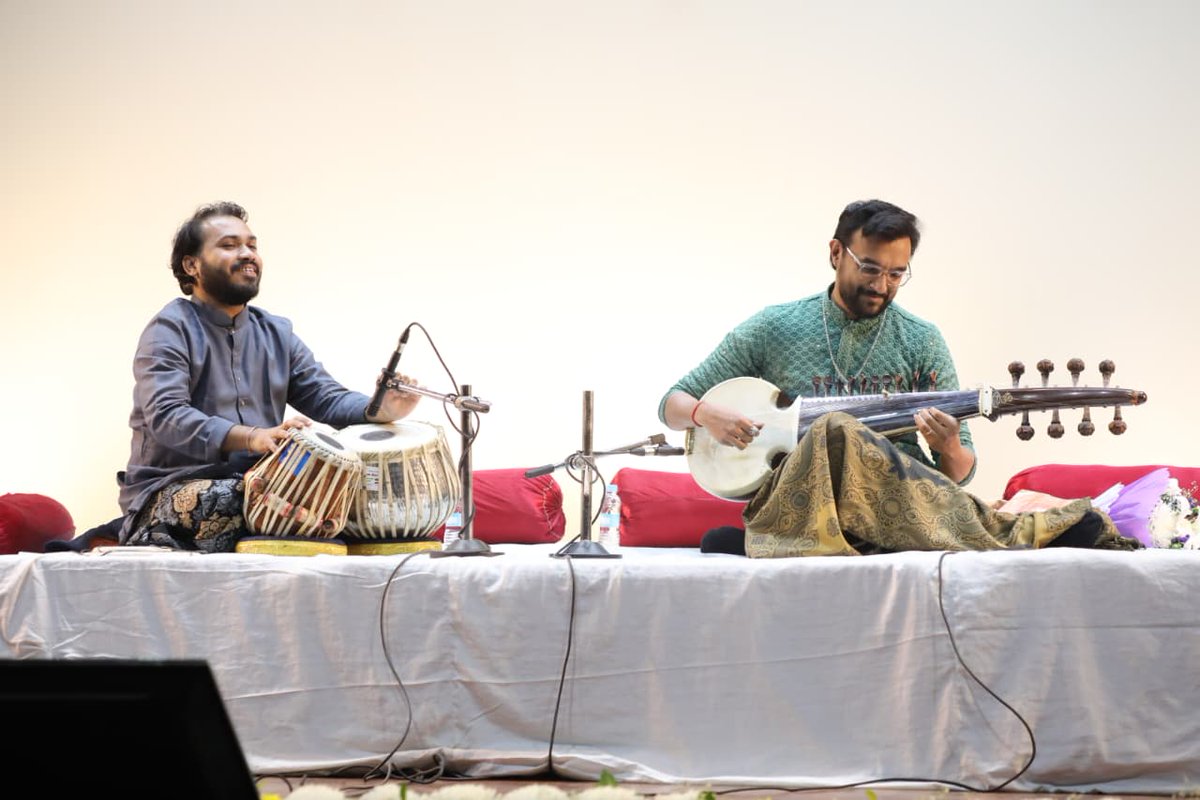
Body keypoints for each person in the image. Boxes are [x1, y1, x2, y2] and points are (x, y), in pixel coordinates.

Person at [660, 199, 1135, 557]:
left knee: (851, 436)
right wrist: (705, 414)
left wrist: (948, 445)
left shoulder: (921, 339)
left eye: (896, 274)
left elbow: (960, 470)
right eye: (869, 268)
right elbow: (671, 403)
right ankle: (1014, 533)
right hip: (806, 501)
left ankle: (796, 542)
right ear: (835, 253)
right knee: (836, 430)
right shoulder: (775, 327)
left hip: (906, 500)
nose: (880, 285)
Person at [111, 201, 421, 552]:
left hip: (257, 482)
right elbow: (167, 417)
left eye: (252, 245)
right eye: (229, 245)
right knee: (235, 499)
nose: (247, 254)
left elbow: (325, 396)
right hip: (171, 489)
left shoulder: (276, 332)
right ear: (191, 265)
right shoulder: (170, 328)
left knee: (368, 496)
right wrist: (251, 437)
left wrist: (379, 408)